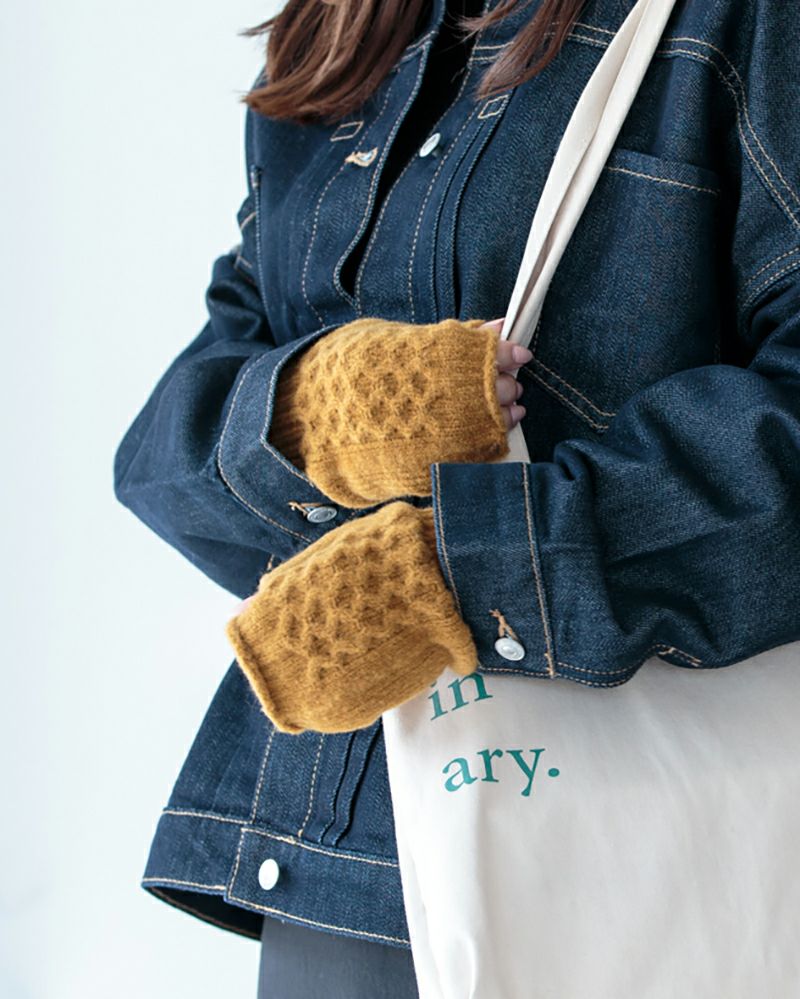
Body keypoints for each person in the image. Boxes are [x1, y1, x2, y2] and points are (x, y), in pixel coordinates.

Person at [112, 0, 800, 995]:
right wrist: (311, 417)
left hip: (630, 872)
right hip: (333, 863)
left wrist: (456, 574)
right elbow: (158, 454)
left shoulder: (740, 20)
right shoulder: (337, 33)